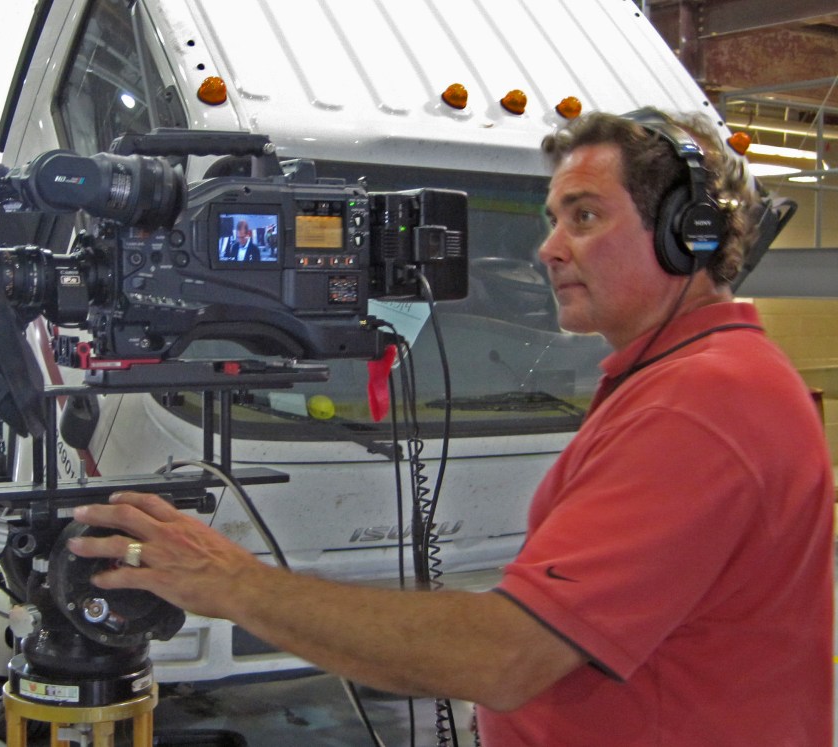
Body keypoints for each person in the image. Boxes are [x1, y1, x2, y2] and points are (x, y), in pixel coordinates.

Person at [69, 110, 834, 745]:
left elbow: (504, 655)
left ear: (688, 234)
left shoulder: (700, 403)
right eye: (553, 219)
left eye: (585, 216)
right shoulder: (688, 378)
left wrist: (231, 582)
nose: (549, 248)